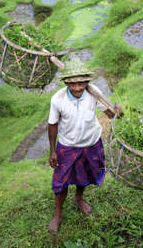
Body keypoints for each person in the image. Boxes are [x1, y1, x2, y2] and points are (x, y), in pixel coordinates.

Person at [47, 59, 122, 235]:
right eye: (72, 84)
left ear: (87, 82)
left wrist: (117, 110)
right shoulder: (58, 99)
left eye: (81, 83)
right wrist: (52, 150)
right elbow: (52, 125)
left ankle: (79, 199)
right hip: (68, 146)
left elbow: (110, 113)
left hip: (92, 142)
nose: (78, 88)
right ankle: (57, 214)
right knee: (61, 181)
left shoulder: (93, 93)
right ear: (66, 82)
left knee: (86, 174)